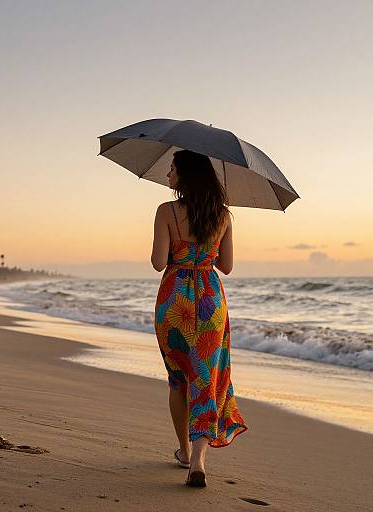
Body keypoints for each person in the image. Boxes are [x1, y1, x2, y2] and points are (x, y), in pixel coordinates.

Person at [151, 150, 248, 488]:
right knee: (205, 378)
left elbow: (157, 262)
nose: (167, 174)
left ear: (185, 175)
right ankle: (198, 459)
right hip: (209, 300)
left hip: (174, 298)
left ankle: (182, 448)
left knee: (178, 378)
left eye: (172, 168)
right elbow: (227, 266)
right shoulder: (222, 217)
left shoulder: (166, 211)